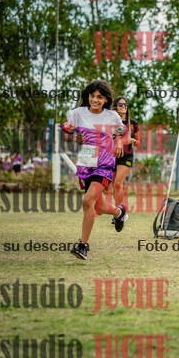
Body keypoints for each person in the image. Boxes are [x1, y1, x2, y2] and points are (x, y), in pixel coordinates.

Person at [61, 80, 128, 260]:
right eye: (92, 96)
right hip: (86, 163)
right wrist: (73, 137)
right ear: (88, 96)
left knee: (87, 200)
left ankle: (83, 245)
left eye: (100, 97)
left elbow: (123, 131)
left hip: (104, 164)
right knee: (98, 206)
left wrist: (119, 141)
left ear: (106, 100)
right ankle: (119, 213)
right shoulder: (77, 114)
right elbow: (65, 132)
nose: (95, 100)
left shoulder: (112, 116)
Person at [111, 96, 140, 214]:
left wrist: (133, 141)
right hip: (113, 155)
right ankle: (118, 212)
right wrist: (122, 141)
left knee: (118, 183)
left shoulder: (133, 123)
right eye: (120, 104)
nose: (124, 106)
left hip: (126, 156)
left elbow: (138, 142)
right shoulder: (111, 122)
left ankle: (122, 211)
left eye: (125, 104)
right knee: (113, 185)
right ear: (115, 107)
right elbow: (109, 140)